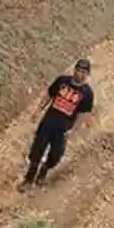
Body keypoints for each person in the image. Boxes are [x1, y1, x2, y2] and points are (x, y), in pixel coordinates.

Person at [21, 58, 95, 188]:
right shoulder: (62, 81)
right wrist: (38, 110)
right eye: (78, 70)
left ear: (87, 74)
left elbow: (83, 114)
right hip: (48, 122)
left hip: (64, 128)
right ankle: (29, 179)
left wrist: (74, 130)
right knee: (37, 150)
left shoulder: (87, 93)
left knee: (56, 155)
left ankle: (44, 170)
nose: (80, 74)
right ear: (74, 70)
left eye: (84, 72)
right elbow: (49, 95)